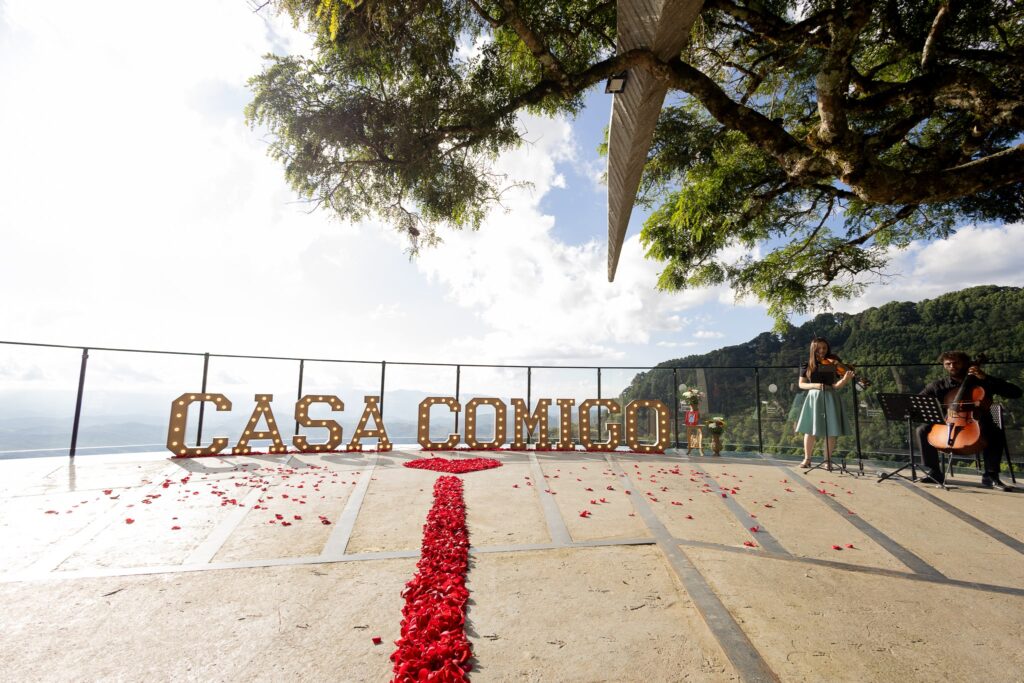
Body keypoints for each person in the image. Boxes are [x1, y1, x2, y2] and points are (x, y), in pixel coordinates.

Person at [916, 351, 1021, 490]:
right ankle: (934, 472)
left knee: (996, 432)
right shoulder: (939, 385)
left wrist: (985, 377)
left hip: (979, 422)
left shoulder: (982, 382)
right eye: (948, 364)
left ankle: (991, 475)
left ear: (965, 363)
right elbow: (919, 400)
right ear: (944, 365)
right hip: (948, 422)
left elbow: (1015, 392)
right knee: (922, 430)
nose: (952, 366)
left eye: (956, 363)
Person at [796, 337, 855, 469]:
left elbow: (836, 386)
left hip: (830, 396)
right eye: (819, 348)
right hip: (813, 397)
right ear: (813, 349)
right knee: (810, 429)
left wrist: (845, 379)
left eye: (825, 348)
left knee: (831, 430)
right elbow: (801, 384)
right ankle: (807, 459)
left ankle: (827, 460)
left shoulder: (833, 362)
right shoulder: (807, 364)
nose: (822, 351)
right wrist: (816, 385)